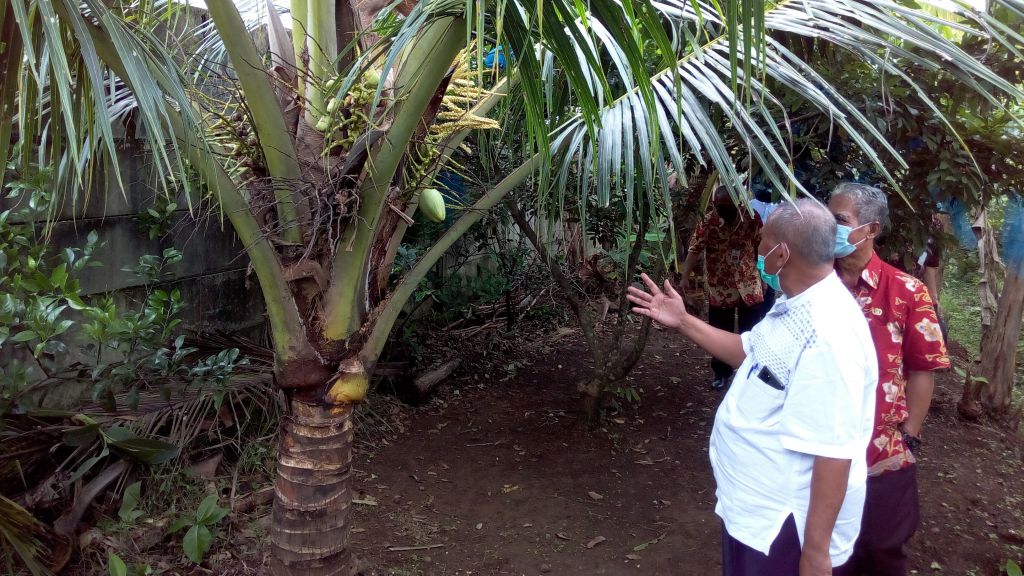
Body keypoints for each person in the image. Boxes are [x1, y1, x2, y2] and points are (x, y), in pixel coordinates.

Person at [629, 199, 878, 576]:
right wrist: (683, 321)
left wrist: (815, 554)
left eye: (761, 242)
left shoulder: (830, 334)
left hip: (785, 528)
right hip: (756, 513)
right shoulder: (797, 304)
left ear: (781, 253)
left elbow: (834, 452)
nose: (756, 249)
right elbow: (749, 352)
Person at [829, 183, 950, 576]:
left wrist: (909, 434)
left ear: (871, 229)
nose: (829, 228)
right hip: (820, 446)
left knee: (881, 550)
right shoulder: (813, 287)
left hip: (881, 454)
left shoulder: (907, 292)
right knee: (827, 551)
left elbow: (922, 368)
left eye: (839, 221)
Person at [679, 186, 764, 390]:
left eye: (727, 206)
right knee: (719, 331)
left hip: (748, 283)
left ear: (738, 204)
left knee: (751, 331)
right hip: (720, 285)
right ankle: (721, 373)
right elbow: (695, 249)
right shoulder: (709, 221)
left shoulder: (751, 218)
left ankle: (749, 374)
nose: (723, 210)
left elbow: (761, 247)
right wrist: (684, 276)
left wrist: (764, 276)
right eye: (719, 206)